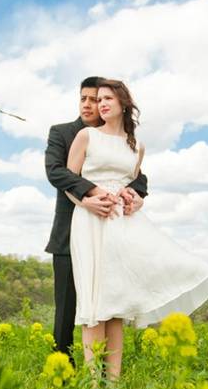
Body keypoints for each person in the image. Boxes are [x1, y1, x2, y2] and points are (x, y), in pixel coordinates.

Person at [65, 79, 208, 380]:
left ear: (124, 104)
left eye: (109, 98)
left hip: (122, 222)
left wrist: (137, 201)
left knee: (118, 302)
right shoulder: (86, 136)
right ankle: (95, 386)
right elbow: (69, 182)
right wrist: (87, 204)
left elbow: (133, 186)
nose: (102, 104)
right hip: (90, 220)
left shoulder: (137, 146)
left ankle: (115, 382)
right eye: (99, 99)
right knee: (94, 303)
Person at [44, 77, 148, 365]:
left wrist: (137, 196)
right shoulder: (65, 133)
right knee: (67, 311)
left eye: (99, 98)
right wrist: (88, 195)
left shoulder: (126, 141)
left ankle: (106, 379)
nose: (93, 104)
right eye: (86, 99)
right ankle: (62, 370)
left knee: (112, 303)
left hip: (114, 229)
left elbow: (138, 177)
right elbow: (56, 172)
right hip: (71, 232)